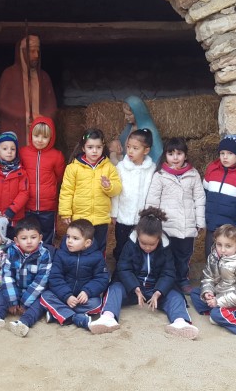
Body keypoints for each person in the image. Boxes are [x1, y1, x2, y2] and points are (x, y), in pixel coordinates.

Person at [89, 208, 198, 339]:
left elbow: (168, 273)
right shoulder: (130, 244)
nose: (147, 247)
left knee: (176, 296)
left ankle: (180, 322)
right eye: (143, 243)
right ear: (138, 236)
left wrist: (158, 292)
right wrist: (135, 287)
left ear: (159, 238)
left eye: (152, 244)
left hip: (155, 289)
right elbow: (123, 268)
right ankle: (108, 318)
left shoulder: (165, 248)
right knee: (114, 289)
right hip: (133, 288)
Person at [0, 218, 52, 337]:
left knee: (39, 304)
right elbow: (8, 276)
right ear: (16, 240)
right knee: (2, 295)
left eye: (33, 237)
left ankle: (23, 322)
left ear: (40, 238)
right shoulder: (11, 251)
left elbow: (41, 281)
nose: (29, 241)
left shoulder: (45, 255)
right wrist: (12, 300)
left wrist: (25, 303)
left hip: (34, 293)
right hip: (15, 288)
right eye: (24, 238)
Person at [145, 137, 206, 294]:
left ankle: (182, 279)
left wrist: (200, 221)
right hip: (166, 225)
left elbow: (199, 199)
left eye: (179, 153)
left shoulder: (193, 174)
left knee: (184, 255)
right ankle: (165, 280)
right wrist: (151, 221)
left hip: (187, 225)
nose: (175, 157)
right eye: (171, 154)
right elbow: (153, 199)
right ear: (165, 155)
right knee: (166, 254)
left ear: (185, 155)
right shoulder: (160, 175)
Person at [58, 128, 122, 254]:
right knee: (79, 246)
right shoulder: (73, 168)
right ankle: (80, 266)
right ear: (83, 148)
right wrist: (65, 212)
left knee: (99, 247)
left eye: (98, 147)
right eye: (90, 147)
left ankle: (99, 266)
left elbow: (117, 188)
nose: (94, 151)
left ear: (103, 147)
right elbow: (66, 191)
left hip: (101, 218)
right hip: (80, 217)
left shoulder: (109, 167)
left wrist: (109, 186)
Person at [39, 220, 109, 330]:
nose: (69, 241)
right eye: (68, 237)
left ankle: (59, 313)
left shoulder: (97, 256)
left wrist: (87, 292)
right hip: (63, 296)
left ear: (87, 243)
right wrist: (67, 296)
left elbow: (101, 278)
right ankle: (75, 317)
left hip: (83, 299)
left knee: (97, 303)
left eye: (75, 238)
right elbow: (55, 277)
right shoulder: (61, 254)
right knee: (45, 296)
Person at [0, 35, 57, 145]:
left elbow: (52, 106)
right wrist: (27, 116)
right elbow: (2, 105)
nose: (36, 55)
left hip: (40, 131)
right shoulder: (9, 74)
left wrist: (41, 119)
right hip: (18, 130)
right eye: (32, 51)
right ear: (22, 52)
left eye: (37, 51)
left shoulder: (44, 77)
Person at [110, 128, 156, 264]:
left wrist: (151, 214)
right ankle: (120, 269)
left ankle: (137, 270)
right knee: (122, 245)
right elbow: (116, 193)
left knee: (139, 246)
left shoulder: (152, 169)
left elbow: (153, 193)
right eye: (128, 147)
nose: (130, 151)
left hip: (142, 218)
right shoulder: (120, 168)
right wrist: (114, 214)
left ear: (146, 150)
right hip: (123, 217)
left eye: (135, 148)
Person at [19, 116, 66, 245]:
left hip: (48, 207)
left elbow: (59, 177)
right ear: (31, 135)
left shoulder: (56, 156)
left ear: (51, 137)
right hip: (27, 205)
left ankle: (47, 256)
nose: (40, 140)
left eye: (45, 137)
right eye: (36, 136)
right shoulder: (23, 153)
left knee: (47, 235)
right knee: (28, 235)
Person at [108, 96, 163, 165]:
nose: (126, 117)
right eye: (125, 114)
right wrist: (116, 144)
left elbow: (156, 155)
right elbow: (122, 143)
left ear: (138, 113)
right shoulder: (130, 126)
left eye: (129, 115)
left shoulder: (148, 131)